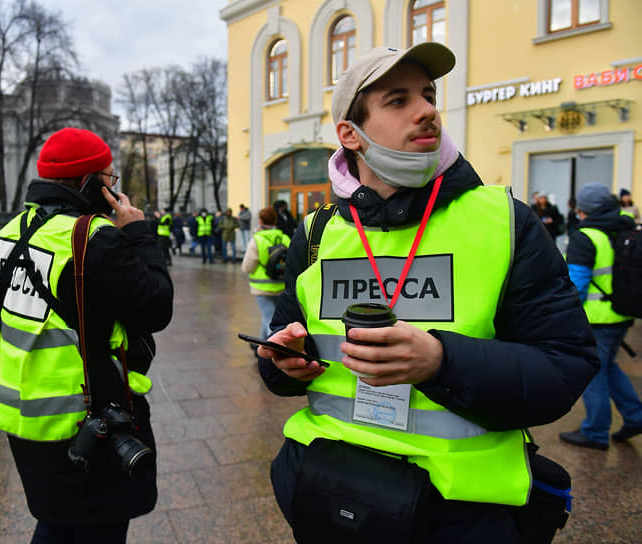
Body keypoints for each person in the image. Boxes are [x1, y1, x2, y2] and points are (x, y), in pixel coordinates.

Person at [257, 43, 598, 542]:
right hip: (328, 492)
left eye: (429, 94)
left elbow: (565, 366)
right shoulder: (315, 233)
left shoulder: (504, 221)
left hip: (458, 513)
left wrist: (442, 363)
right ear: (350, 134)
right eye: (398, 100)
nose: (427, 110)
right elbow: (282, 354)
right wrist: (281, 362)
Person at [0, 127, 173, 543]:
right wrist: (139, 233)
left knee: (58, 519)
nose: (111, 187)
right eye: (108, 178)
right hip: (85, 419)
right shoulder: (93, 239)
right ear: (89, 183)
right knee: (92, 527)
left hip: (20, 415)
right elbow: (157, 306)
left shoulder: (4, 237)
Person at [559, 183, 642, 450]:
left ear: (582, 210)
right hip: (621, 314)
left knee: (592, 372)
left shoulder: (585, 237)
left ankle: (595, 432)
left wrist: (564, 315)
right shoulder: (624, 228)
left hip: (595, 318)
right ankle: (635, 416)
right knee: (608, 366)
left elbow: (577, 284)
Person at [242, 206, 290, 340]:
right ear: (275, 221)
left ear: (261, 221)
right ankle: (261, 345)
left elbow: (247, 267)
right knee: (270, 317)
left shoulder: (257, 240)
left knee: (269, 320)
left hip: (262, 288)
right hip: (281, 286)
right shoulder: (285, 238)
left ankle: (272, 353)